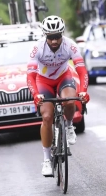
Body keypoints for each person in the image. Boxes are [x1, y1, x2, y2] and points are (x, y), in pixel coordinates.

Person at [27, 15, 90, 176]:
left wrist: (83, 91)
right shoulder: (37, 48)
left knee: (70, 102)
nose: (54, 41)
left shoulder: (70, 45)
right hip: (44, 81)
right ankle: (47, 160)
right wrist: (35, 95)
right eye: (50, 37)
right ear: (45, 36)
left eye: (57, 37)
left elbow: (81, 70)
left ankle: (69, 126)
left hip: (64, 77)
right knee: (47, 117)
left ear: (62, 34)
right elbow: (30, 77)